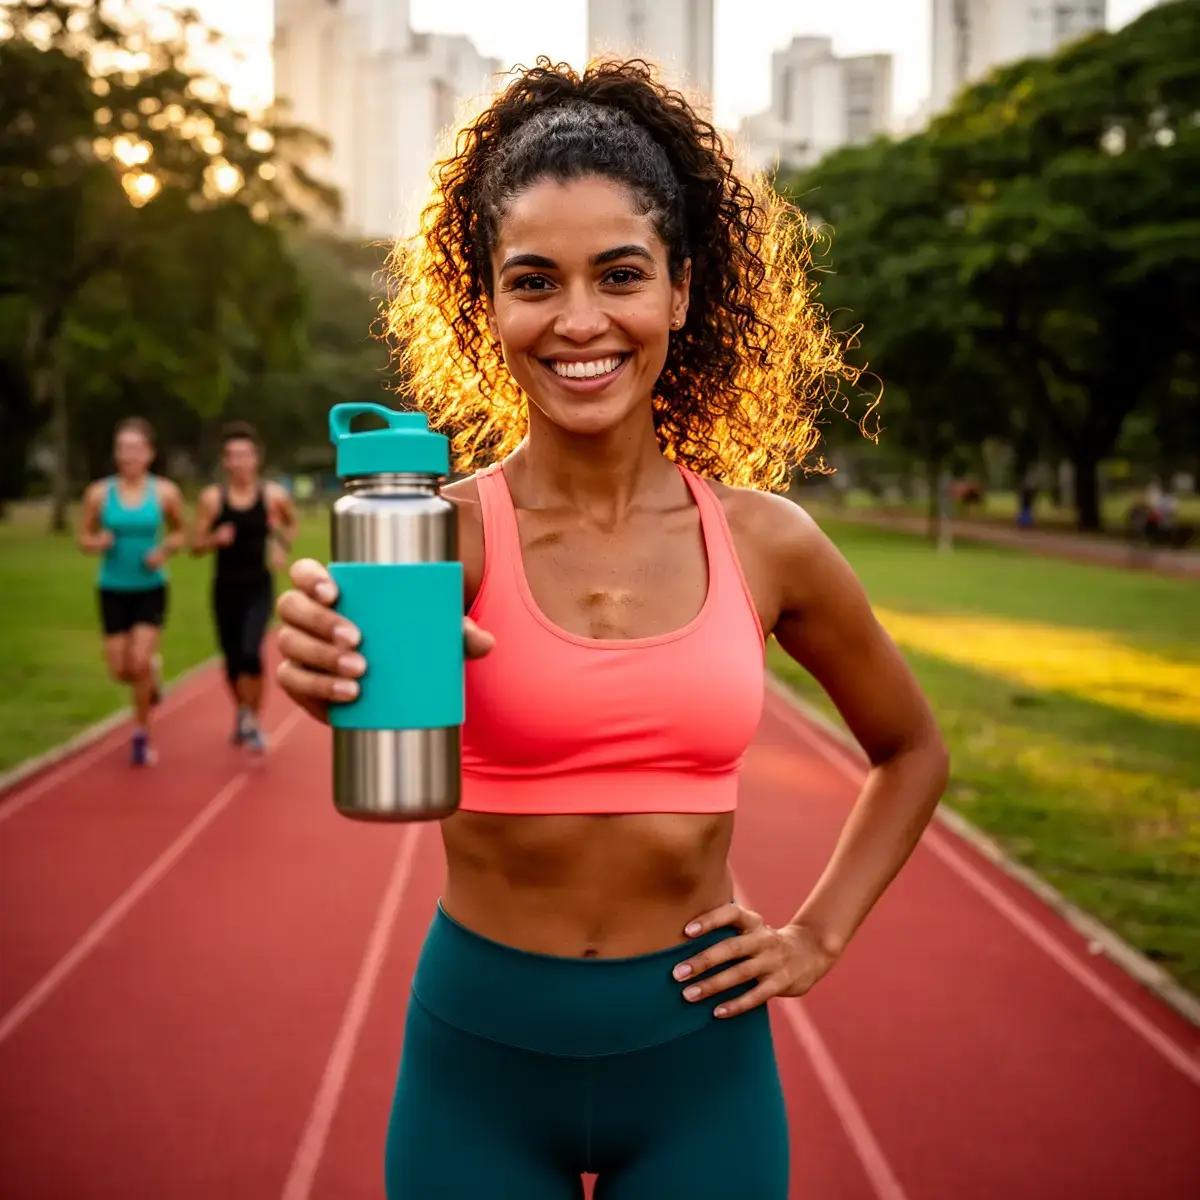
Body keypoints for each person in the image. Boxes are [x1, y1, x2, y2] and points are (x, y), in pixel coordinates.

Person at [275, 59, 950, 1199]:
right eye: (534, 281)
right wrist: (317, 656)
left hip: (700, 1067)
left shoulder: (768, 542)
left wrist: (817, 936)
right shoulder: (434, 537)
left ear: (681, 291)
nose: (580, 320)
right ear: (488, 305)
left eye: (621, 274)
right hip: (479, 1065)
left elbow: (912, 750)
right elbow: (347, 669)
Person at [77, 417, 186, 767]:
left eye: (136, 449)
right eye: (123, 449)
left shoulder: (165, 492)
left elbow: (179, 533)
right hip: (112, 588)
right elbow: (83, 537)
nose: (129, 456)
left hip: (150, 587)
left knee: (137, 661)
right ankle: (152, 675)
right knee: (120, 670)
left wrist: (163, 551)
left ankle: (141, 734)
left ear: (149, 454)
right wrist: (98, 542)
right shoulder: (99, 493)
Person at [192, 421, 298, 752]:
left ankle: (253, 719)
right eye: (232, 456)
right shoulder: (213, 499)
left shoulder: (272, 496)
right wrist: (214, 539)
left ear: (256, 458)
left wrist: (280, 545)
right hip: (225, 588)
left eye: (244, 455)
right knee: (233, 660)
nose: (238, 462)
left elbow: (291, 525)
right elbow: (196, 544)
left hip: (258, 587)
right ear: (225, 461)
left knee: (252, 652)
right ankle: (242, 710)